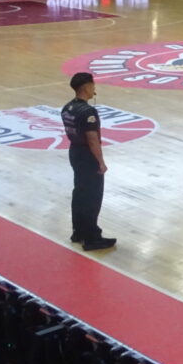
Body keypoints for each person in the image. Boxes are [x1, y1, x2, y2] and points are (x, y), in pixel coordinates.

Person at [61, 73, 115, 251]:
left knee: (80, 194)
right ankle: (92, 238)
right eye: (92, 85)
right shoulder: (88, 112)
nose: (94, 88)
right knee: (92, 197)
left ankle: (78, 232)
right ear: (85, 87)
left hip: (75, 152)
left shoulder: (67, 108)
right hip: (87, 156)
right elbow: (92, 139)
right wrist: (101, 162)